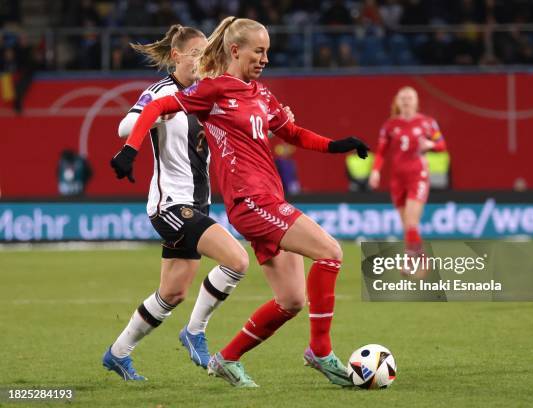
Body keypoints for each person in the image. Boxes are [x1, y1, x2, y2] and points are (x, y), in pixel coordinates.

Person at [110, 17, 369, 388]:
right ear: (235, 50)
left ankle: (226, 359)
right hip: (251, 202)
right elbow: (155, 108)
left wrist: (335, 145)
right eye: (258, 50)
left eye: (267, 51)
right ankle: (320, 350)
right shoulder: (213, 90)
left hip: (270, 200)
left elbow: (291, 132)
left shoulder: (261, 94)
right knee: (331, 252)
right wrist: (130, 150)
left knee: (292, 300)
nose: (265, 58)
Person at [103, 25, 252, 382]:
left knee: (173, 292)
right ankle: (195, 332)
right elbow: (125, 127)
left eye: (207, 54)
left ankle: (118, 354)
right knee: (237, 260)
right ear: (177, 56)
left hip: (199, 205)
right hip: (170, 205)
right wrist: (154, 115)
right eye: (197, 54)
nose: (203, 61)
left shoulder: (207, 93)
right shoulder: (161, 92)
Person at [369, 86, 447, 265]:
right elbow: (381, 152)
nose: (405, 101)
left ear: (416, 101)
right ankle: (418, 258)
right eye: (402, 97)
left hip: (417, 176)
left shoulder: (428, 123)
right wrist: (375, 171)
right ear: (397, 101)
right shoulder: (390, 125)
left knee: (411, 221)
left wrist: (430, 145)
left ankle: (415, 261)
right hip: (397, 179)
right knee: (406, 225)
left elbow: (442, 145)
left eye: (409, 97)